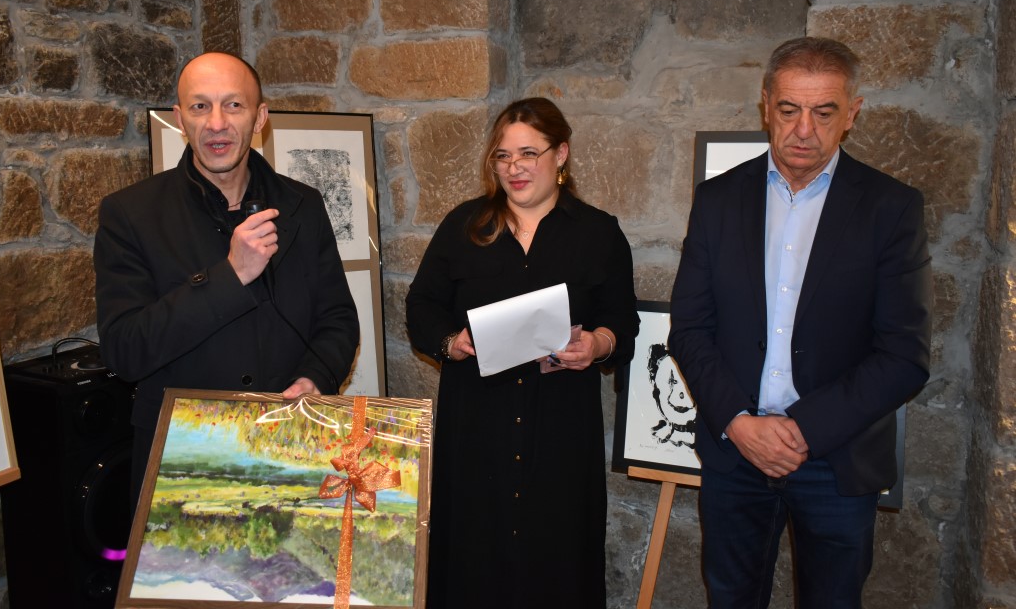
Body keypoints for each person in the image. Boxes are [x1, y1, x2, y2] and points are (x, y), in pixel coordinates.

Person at [668, 37, 933, 608]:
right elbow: (689, 329)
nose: (804, 130)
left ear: (852, 113)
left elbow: (904, 356)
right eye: (789, 110)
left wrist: (803, 430)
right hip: (735, 453)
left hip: (836, 459)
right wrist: (740, 423)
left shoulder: (891, 208)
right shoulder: (717, 200)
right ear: (766, 105)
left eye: (824, 112)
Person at [406, 97, 639, 609]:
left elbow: (623, 321)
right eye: (503, 156)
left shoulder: (598, 232)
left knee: (556, 559)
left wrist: (596, 344)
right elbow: (421, 306)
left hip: (560, 431)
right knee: (473, 560)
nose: (515, 168)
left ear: (561, 154)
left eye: (529, 153)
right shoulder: (464, 226)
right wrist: (450, 342)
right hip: (476, 429)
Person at [94, 52, 359, 499]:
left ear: (260, 118)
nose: (216, 123)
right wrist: (231, 275)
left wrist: (316, 377)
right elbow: (124, 351)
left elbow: (338, 318)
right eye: (200, 106)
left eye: (233, 105)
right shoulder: (130, 214)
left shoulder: (304, 204)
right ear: (180, 119)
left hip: (290, 443)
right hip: (184, 461)